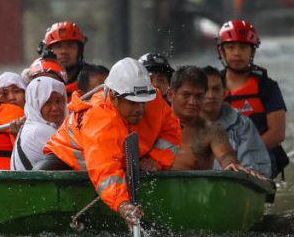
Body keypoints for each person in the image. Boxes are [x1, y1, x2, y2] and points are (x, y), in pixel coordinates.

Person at [38, 57, 181, 225]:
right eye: (132, 103)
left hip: (113, 160)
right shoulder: (100, 120)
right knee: (41, 175)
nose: (140, 109)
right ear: (113, 97)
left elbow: (171, 132)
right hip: (67, 158)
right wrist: (123, 205)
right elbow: (105, 170)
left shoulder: (153, 99)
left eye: (143, 103)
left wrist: (155, 160)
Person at [217, 20, 289, 179]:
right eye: (230, 47)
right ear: (221, 52)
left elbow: (277, 133)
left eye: (243, 47)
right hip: (220, 155)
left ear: (252, 52)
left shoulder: (267, 87)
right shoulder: (210, 85)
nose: (236, 53)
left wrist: (242, 155)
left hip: (260, 155)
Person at [167, 66, 262, 178]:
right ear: (170, 95)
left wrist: (232, 165)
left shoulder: (212, 130)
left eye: (198, 96)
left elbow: (226, 156)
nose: (192, 102)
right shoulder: (153, 125)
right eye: (186, 95)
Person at [201, 66, 272, 177]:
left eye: (216, 89)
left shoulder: (243, 125)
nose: (210, 95)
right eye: (205, 90)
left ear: (224, 94)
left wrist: (246, 172)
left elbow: (253, 171)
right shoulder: (180, 125)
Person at [10, 76, 67, 171]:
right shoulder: (38, 131)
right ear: (35, 104)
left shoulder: (30, 127)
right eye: (47, 102)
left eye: (58, 101)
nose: (55, 108)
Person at [40, 21, 86, 94]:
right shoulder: (37, 79)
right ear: (48, 52)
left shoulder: (92, 79)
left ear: (79, 51)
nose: (64, 51)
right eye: (58, 46)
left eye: (70, 46)